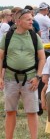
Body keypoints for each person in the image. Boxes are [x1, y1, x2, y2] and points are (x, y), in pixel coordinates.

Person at [0, 9, 46, 139]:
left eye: (32, 19)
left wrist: (38, 77)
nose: (32, 21)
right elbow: (0, 57)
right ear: (18, 21)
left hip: (30, 80)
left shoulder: (34, 36)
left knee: (32, 112)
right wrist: (0, 77)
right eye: (28, 19)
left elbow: (42, 58)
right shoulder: (7, 36)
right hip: (10, 79)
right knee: (10, 112)